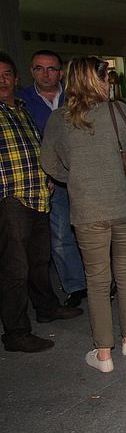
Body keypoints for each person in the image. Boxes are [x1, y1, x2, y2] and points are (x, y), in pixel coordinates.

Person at [40, 57, 126, 373]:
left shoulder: (58, 119)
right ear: (98, 80)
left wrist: (77, 177)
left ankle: (104, 354)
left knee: (96, 280)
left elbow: (49, 164)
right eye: (107, 77)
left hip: (87, 210)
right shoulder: (118, 110)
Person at [0, 51, 83, 353]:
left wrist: (48, 174)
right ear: (32, 73)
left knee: (39, 259)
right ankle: (16, 332)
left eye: (6, 74)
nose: (2, 81)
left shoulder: (20, 109)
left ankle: (46, 307)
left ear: (16, 78)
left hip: (39, 194)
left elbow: (37, 146)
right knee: (14, 267)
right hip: (10, 197)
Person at [18, 50, 88, 308]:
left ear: (61, 72)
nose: (45, 74)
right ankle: (76, 286)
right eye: (39, 68)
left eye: (51, 69)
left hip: (82, 175)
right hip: (49, 178)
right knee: (60, 234)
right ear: (31, 71)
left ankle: (100, 280)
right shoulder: (22, 100)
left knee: (91, 230)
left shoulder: (76, 96)